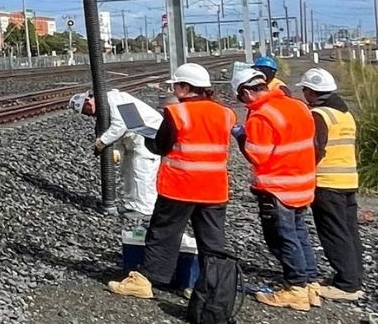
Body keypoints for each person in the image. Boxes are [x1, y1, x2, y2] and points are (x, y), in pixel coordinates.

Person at [109, 63, 233, 300]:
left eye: (176, 85)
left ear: (186, 87)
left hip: (181, 186)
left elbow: (161, 146)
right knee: (212, 241)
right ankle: (208, 288)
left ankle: (145, 281)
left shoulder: (177, 113)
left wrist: (147, 138)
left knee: (163, 233)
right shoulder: (225, 113)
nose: (174, 90)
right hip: (214, 188)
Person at [233, 69, 320, 310]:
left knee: (282, 238)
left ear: (247, 93)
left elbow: (257, 155)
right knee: (300, 233)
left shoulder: (262, 116)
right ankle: (311, 283)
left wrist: (241, 136)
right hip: (303, 183)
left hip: (278, 187)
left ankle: (296, 288)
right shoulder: (298, 106)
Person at [297, 67, 365, 301]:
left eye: (305, 91)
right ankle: (354, 278)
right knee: (349, 231)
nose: (305, 95)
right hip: (348, 180)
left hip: (327, 182)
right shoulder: (345, 114)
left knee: (333, 232)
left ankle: (346, 285)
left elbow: (315, 149)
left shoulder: (320, 115)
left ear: (313, 92)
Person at [70, 88, 161, 222]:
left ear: (89, 102)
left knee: (142, 173)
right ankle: (131, 205)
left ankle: (146, 209)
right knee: (128, 171)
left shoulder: (115, 99)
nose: (87, 115)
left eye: (85, 111)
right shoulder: (107, 105)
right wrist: (117, 149)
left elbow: (120, 126)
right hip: (134, 140)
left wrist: (102, 142)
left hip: (148, 136)